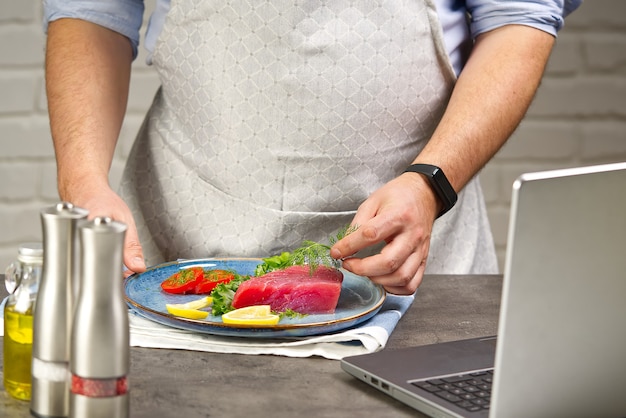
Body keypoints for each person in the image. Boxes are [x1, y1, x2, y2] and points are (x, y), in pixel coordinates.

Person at [43, 0, 581, 295]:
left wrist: (431, 184)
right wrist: (83, 182)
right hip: (179, 246)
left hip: (407, 256)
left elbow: (518, 21)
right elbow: (90, 11)